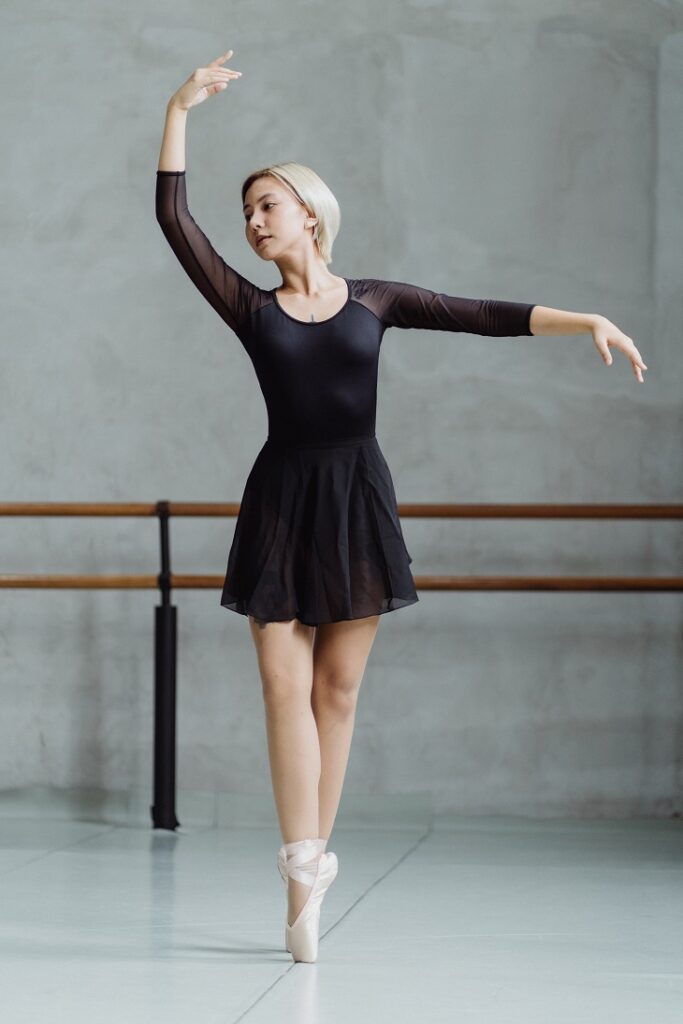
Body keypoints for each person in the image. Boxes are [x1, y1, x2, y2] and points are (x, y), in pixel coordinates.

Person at [155, 50, 648, 963]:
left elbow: (478, 313)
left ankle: (317, 862)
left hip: (356, 496)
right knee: (280, 681)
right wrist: (179, 108)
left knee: (337, 691)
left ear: (310, 212)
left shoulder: (373, 301)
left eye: (267, 205)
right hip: (281, 495)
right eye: (247, 213)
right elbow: (173, 220)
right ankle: (299, 861)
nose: (254, 222)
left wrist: (583, 319)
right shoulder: (249, 310)